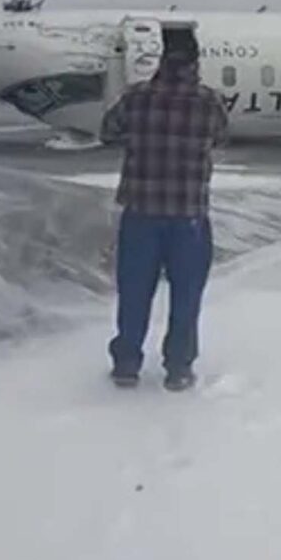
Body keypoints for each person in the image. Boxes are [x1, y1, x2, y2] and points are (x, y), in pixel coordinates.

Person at [100, 27, 228, 390]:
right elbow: (220, 136)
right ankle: (178, 368)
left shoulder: (137, 98)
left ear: (161, 57)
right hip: (189, 215)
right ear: (196, 60)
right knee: (186, 295)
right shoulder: (209, 102)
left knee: (134, 292)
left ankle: (127, 364)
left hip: (141, 213)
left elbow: (108, 131)